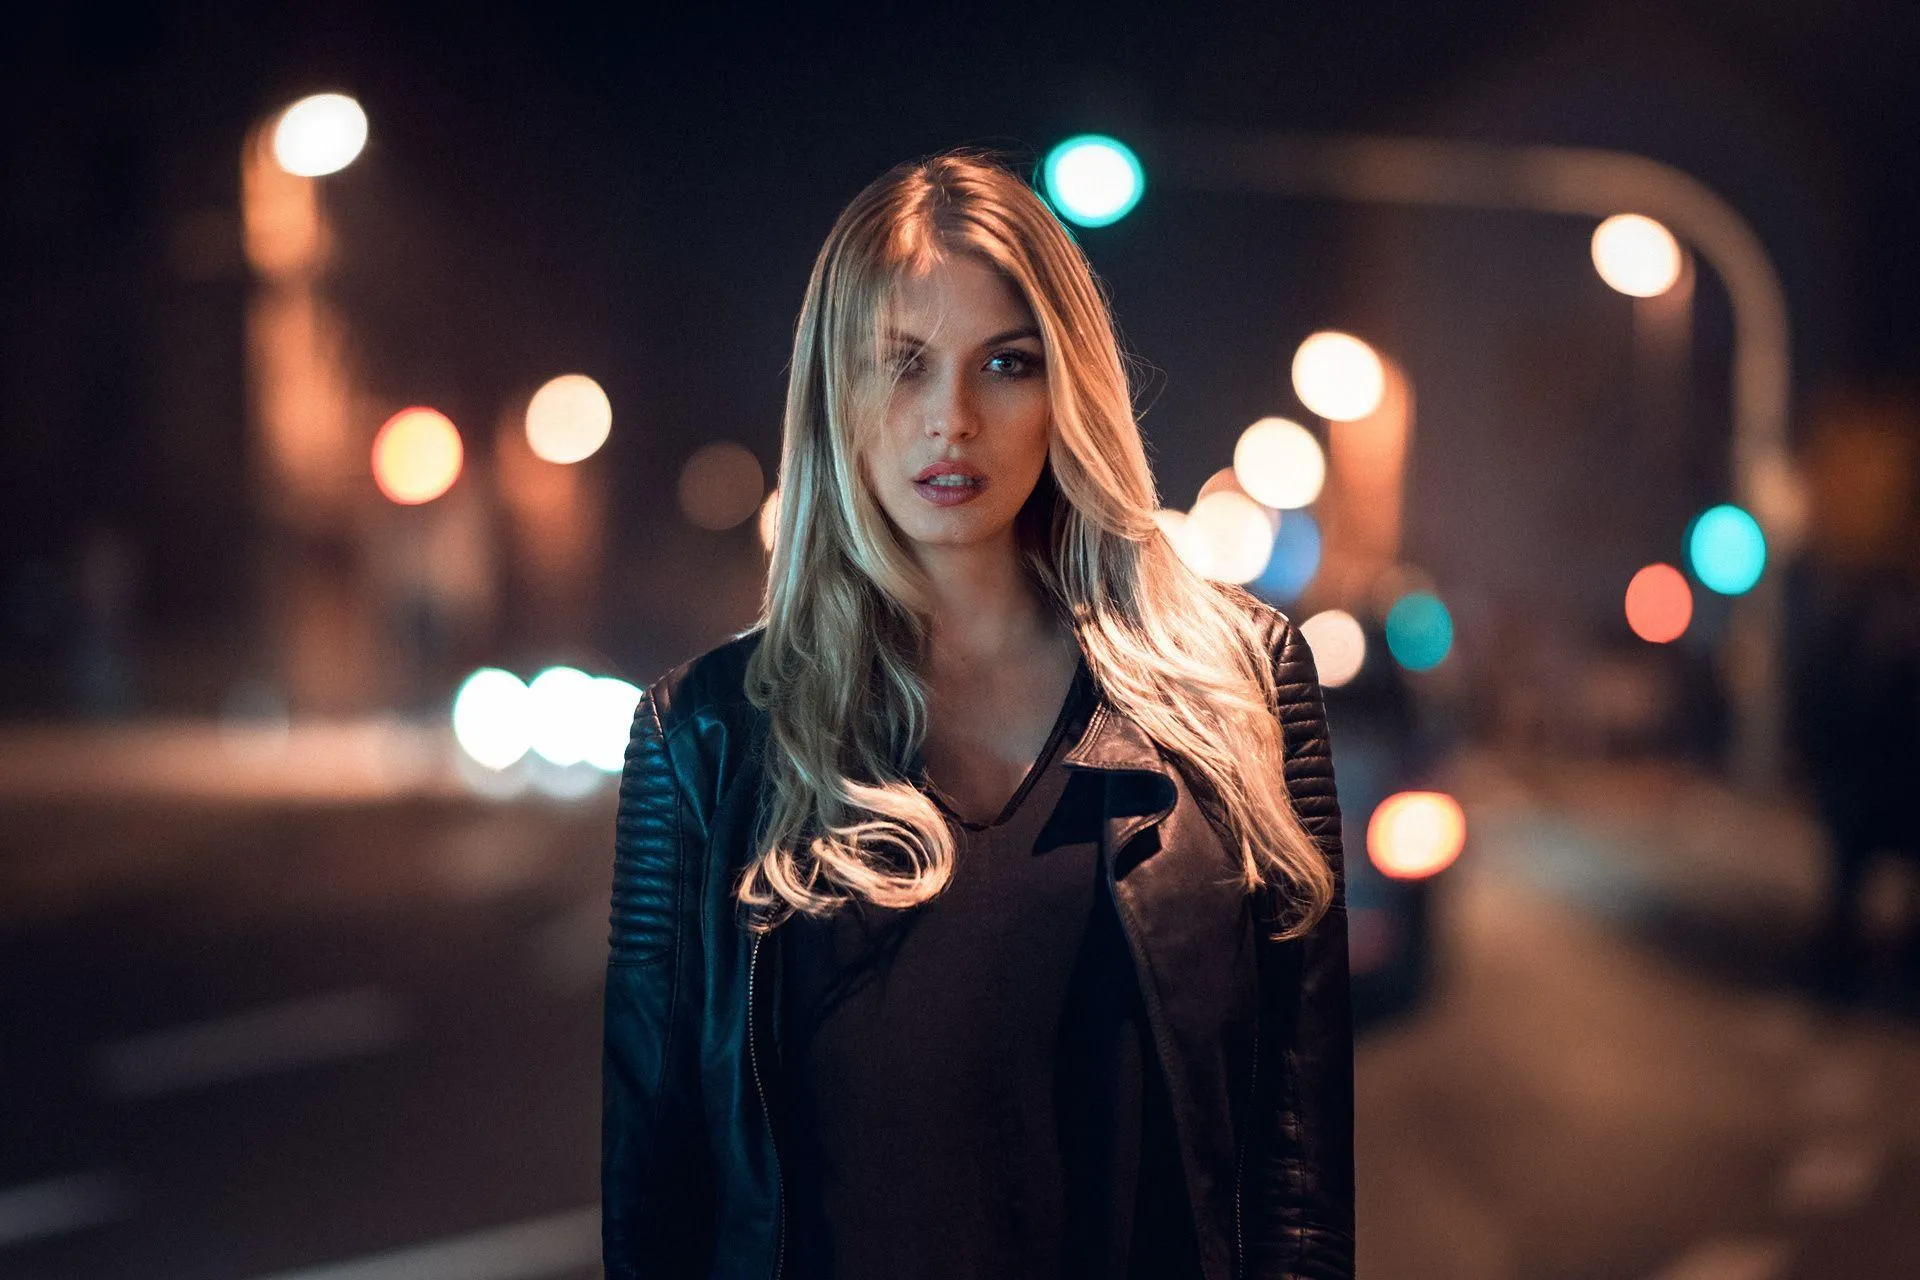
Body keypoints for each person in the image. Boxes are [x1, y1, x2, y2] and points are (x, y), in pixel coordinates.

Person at [602, 149, 1354, 1280]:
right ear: (833, 394)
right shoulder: (704, 738)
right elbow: (657, 1202)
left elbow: (1296, 1180)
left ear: (1070, 387)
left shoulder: (1239, 688)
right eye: (900, 363)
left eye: (1006, 362)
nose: (950, 418)